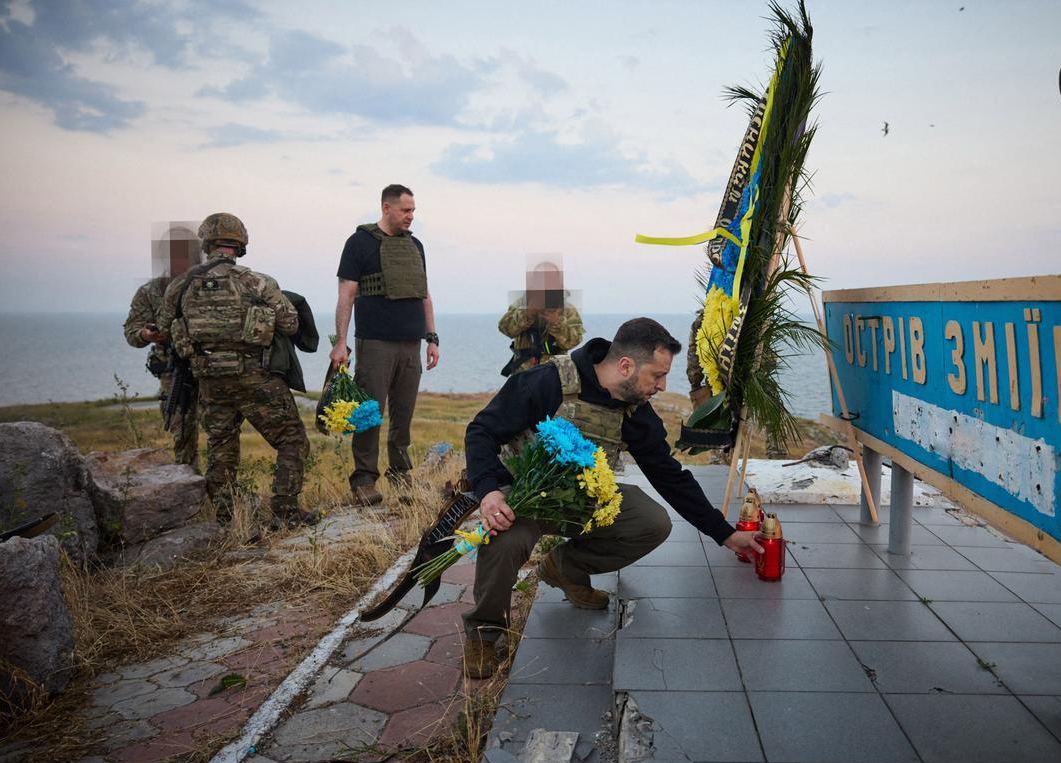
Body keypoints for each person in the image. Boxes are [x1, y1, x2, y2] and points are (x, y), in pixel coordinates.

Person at [460, 317, 764, 678]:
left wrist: (724, 533)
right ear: (625, 366)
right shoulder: (547, 381)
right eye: (657, 375)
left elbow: (669, 476)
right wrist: (490, 493)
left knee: (652, 522)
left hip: (583, 500)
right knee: (505, 539)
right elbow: (481, 431)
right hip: (524, 498)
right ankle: (484, 632)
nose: (663, 386)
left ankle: (566, 568)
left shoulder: (635, 411)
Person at [158, 212, 316, 527]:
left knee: (221, 445)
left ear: (206, 243)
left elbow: (164, 328)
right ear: (240, 245)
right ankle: (285, 510)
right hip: (256, 377)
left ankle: (228, 516)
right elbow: (290, 322)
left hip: (210, 379)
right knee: (292, 440)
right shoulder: (256, 281)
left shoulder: (181, 285)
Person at [331, 184, 439, 506]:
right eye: (406, 211)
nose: (411, 216)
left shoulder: (416, 245)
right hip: (375, 343)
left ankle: (401, 474)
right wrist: (341, 343)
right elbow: (346, 294)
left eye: (413, 211)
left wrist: (431, 338)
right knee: (370, 414)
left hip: (411, 345)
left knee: (403, 415)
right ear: (386, 208)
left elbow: (424, 294)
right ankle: (364, 480)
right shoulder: (359, 243)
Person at [123, 224, 201, 470]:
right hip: (175, 373)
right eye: (175, 254)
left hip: (210, 368)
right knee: (182, 437)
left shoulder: (209, 285)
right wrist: (145, 334)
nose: (180, 260)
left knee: (223, 435)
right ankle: (189, 489)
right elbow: (132, 331)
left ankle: (224, 496)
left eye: (185, 254)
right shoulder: (151, 291)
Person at [497, 258, 584, 375]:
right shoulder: (521, 304)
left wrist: (556, 322)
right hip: (523, 373)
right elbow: (505, 329)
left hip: (555, 373)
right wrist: (527, 313)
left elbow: (573, 341)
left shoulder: (567, 309)